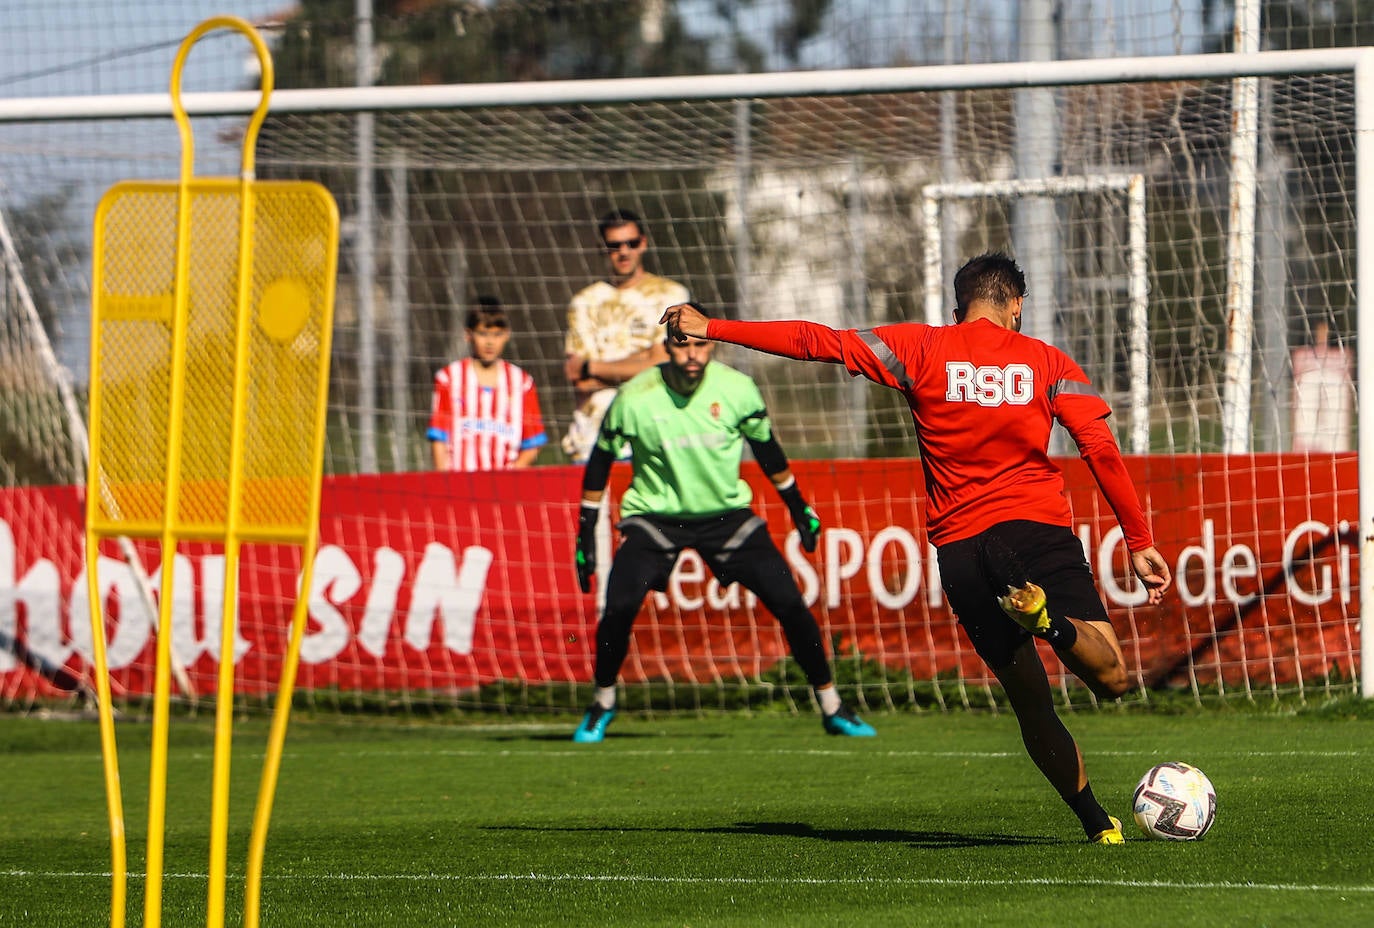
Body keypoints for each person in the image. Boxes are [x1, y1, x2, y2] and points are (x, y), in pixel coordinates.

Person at [661, 252, 1172, 844]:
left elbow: (813, 341)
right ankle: (1051, 623)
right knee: (1110, 677)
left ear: (958, 309)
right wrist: (1138, 540)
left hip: (961, 550)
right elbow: (1100, 450)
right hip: (1036, 530)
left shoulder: (918, 348)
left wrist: (711, 327)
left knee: (1031, 704)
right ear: (1016, 306)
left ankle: (1096, 824)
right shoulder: (1047, 361)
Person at [570, 329, 877, 743]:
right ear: (667, 348)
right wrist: (586, 533)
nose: (692, 354)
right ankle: (602, 703)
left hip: (726, 518)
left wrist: (798, 507)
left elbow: (768, 450)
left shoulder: (737, 389)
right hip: (655, 519)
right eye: (683, 345)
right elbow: (600, 463)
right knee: (619, 607)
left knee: (790, 602)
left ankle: (832, 705)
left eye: (701, 344)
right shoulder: (634, 397)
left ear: (711, 346)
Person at [561, 209, 690, 464]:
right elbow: (579, 378)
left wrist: (594, 367)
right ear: (603, 248)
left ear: (643, 243)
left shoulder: (670, 295)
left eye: (631, 243)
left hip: (654, 433)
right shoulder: (584, 302)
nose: (624, 252)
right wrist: (642, 360)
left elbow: (665, 364)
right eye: (614, 245)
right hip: (593, 437)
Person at [428, 297, 547, 471]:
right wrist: (444, 481)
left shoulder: (522, 383)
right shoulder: (448, 378)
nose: (490, 342)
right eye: (483, 334)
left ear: (507, 335)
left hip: (505, 486)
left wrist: (511, 477)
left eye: (497, 334)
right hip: (460, 482)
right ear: (468, 335)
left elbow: (533, 443)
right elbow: (439, 438)